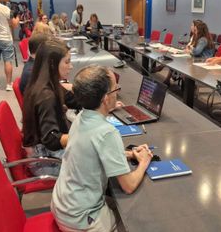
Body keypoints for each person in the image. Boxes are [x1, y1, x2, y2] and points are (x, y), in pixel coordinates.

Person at [51, 65, 152, 231]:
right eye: (115, 89)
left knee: (114, 203)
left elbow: (91, 148)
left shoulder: (80, 116)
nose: (117, 92)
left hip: (62, 205)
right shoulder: (107, 133)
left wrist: (126, 154)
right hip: (80, 219)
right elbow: (128, 186)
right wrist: (144, 162)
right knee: (136, 221)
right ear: (106, 98)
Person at [22, 39, 76, 176]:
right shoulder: (46, 96)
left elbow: (73, 100)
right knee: (95, 163)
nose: (71, 66)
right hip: (47, 161)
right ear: (52, 64)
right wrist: (82, 137)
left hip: (45, 153)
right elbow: (51, 139)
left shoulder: (44, 82)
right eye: (67, 62)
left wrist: (103, 102)